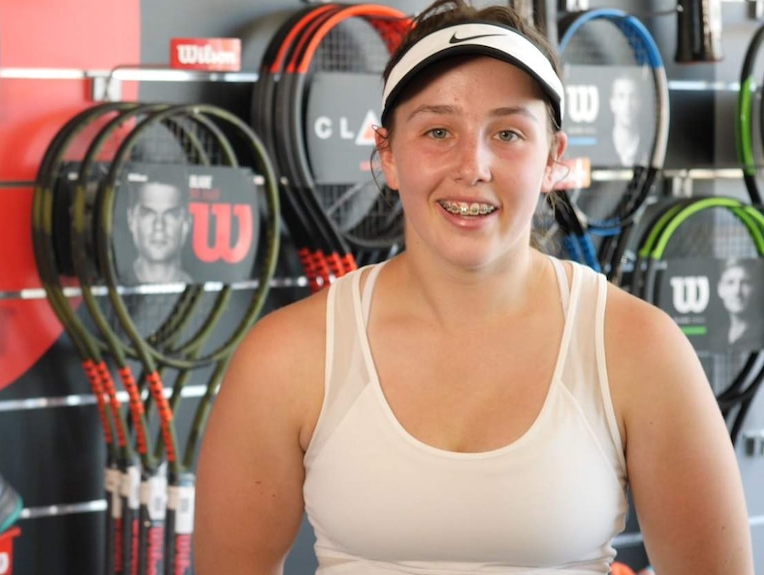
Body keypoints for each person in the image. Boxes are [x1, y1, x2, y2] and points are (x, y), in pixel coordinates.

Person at [195, 2, 753, 574]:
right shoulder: (286, 355)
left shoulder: (640, 348)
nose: (473, 165)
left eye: (508, 133)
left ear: (554, 160)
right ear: (387, 153)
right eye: (438, 130)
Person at [125, 174, 193, 284]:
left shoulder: (207, 294)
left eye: (170, 214)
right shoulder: (105, 293)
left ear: (186, 223)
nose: (159, 225)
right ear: (131, 219)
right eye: (148, 213)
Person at [715, 257, 764, 351]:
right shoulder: (717, 340)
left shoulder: (760, 336)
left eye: (745, 282)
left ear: (755, 289)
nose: (737, 291)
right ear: (720, 289)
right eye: (730, 283)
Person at [609, 74, 641, 167]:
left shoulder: (650, 149)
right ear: (612, 103)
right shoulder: (599, 150)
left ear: (639, 103)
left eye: (632, 97)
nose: (627, 105)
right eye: (621, 96)